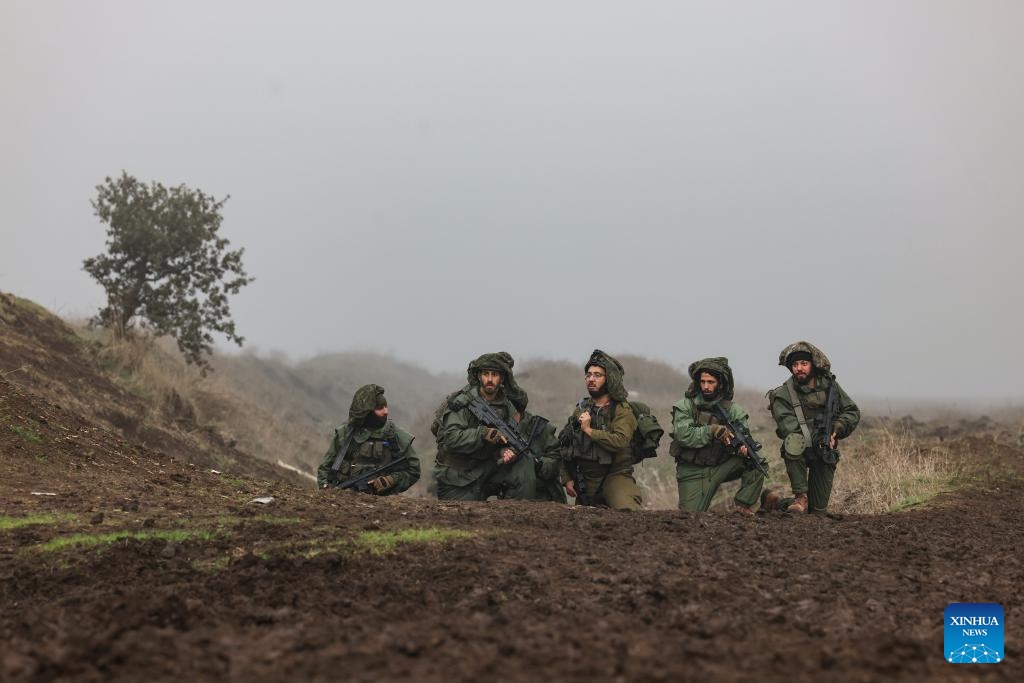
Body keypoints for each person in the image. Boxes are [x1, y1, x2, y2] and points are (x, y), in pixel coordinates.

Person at [762, 341, 860, 514]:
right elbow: (788, 428)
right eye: (795, 364)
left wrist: (836, 429)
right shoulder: (783, 394)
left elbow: (852, 411)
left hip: (824, 448)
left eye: (804, 363)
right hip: (800, 449)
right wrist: (815, 437)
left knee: (817, 512)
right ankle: (800, 496)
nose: (799, 368)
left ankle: (776, 502)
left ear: (813, 365)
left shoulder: (830, 386)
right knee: (793, 441)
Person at [433, 352, 538, 501]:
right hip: (458, 477)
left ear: (502, 378)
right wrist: (483, 433)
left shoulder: (507, 405)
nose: (489, 379)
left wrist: (506, 452)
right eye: (485, 374)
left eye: (494, 375)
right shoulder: (463, 402)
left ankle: (516, 516)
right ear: (478, 376)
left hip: (487, 468)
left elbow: (509, 437)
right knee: (461, 518)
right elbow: (451, 438)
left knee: (524, 462)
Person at [669, 357, 763, 515]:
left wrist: (739, 449)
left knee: (757, 462)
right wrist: (712, 431)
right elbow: (684, 435)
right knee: (690, 517)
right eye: (703, 381)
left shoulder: (734, 411)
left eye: (711, 382)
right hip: (692, 471)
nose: (706, 386)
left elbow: (744, 439)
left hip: (720, 466)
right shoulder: (685, 406)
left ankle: (743, 506)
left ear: (720, 383)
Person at [559, 349, 642, 511]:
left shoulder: (621, 410)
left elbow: (620, 441)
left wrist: (589, 430)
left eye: (597, 375)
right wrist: (567, 478)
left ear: (609, 379)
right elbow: (563, 445)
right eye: (588, 375)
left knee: (628, 514)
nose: (591, 379)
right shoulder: (581, 409)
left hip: (615, 475)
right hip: (585, 480)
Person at [317, 384, 420, 494]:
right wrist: (326, 490)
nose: (386, 411)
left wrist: (391, 480)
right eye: (380, 408)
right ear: (367, 411)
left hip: (382, 505)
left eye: (386, 407)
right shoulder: (346, 434)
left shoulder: (395, 435)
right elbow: (325, 468)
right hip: (345, 500)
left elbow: (414, 470)